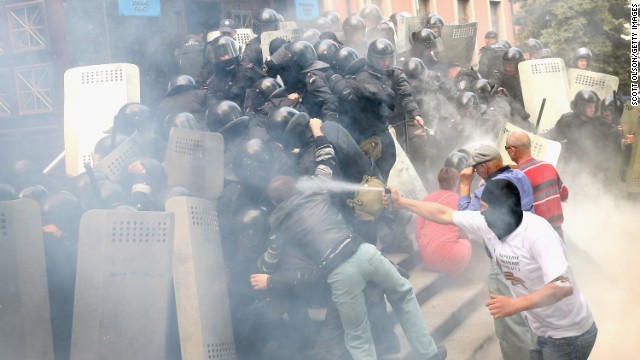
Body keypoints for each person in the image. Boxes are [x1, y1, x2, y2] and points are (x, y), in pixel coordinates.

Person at [262, 117, 447, 360]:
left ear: (275, 203)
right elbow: (326, 155)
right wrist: (317, 130)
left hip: (340, 273)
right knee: (402, 293)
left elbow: (270, 259)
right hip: (364, 252)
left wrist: (266, 274)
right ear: (297, 189)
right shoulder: (316, 188)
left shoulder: (277, 225)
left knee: (358, 334)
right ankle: (428, 353)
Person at [387, 179, 597, 360]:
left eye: (484, 207)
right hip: (542, 329)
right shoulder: (488, 223)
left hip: (568, 336)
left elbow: (562, 286)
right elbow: (443, 213)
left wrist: (515, 305)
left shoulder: (538, 233)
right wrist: (401, 202)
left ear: (503, 210)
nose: (480, 213)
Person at [458, 142, 535, 360]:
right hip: (529, 254)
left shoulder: (487, 190)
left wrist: (464, 185)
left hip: (506, 263)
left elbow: (466, 223)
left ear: (485, 168)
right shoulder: (520, 176)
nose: (474, 173)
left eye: (476, 168)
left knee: (511, 326)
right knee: (531, 317)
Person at [506, 130, 569, 237]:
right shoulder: (549, 167)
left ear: (512, 150)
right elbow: (564, 194)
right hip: (557, 233)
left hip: (535, 236)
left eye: (506, 148)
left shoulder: (516, 177)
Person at [416, 167, 472, 278]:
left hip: (427, 257)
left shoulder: (427, 199)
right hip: (449, 258)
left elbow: (418, 233)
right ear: (456, 182)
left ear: (439, 182)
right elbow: (468, 231)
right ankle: (456, 276)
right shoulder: (462, 202)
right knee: (467, 242)